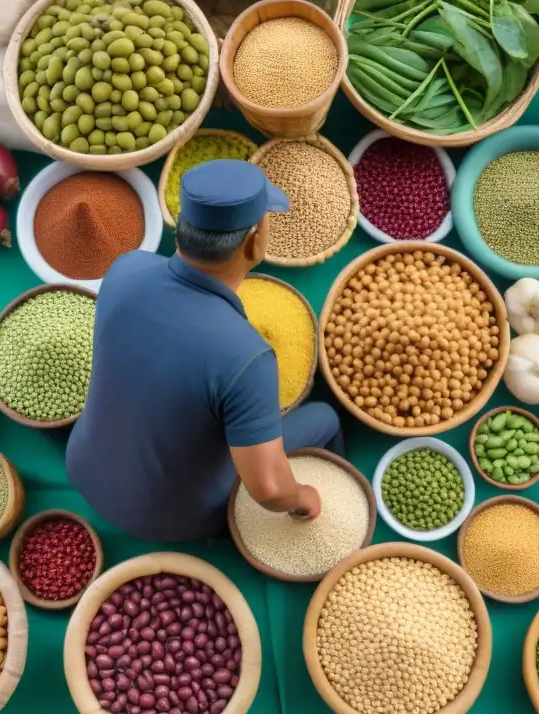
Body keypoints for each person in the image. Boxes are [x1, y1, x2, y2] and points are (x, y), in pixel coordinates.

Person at [66, 159, 344, 542]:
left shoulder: (125, 269)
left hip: (83, 467)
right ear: (255, 239)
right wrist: (301, 497)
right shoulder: (248, 357)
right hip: (170, 520)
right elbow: (267, 488)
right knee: (325, 416)